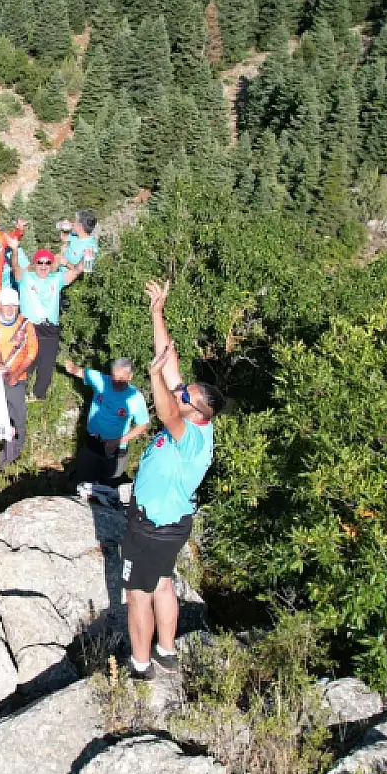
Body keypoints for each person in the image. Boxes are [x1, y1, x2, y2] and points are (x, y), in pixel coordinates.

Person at [123, 279, 223, 680]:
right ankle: (166, 651)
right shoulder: (192, 415)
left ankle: (140, 664)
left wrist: (152, 379)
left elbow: (165, 411)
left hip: (151, 528)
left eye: (186, 396)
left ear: (200, 413)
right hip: (170, 523)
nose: (180, 393)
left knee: (138, 595)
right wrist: (156, 313)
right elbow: (169, 363)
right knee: (163, 583)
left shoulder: (192, 436)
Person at [64, 357, 150, 485]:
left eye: (121, 379)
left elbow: (142, 425)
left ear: (130, 376)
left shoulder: (135, 398)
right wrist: (71, 367)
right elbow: (80, 372)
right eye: (114, 376)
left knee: (109, 488)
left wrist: (118, 441)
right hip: (91, 444)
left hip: (114, 450)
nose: (116, 381)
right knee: (82, 482)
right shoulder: (101, 380)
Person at [11, 248, 83, 399]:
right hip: (30, 327)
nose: (43, 266)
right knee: (27, 363)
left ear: (51, 265)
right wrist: (14, 250)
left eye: (47, 263)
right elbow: (16, 267)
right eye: (40, 262)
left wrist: (87, 257)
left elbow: (76, 271)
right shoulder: (26, 277)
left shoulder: (56, 278)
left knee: (46, 366)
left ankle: (39, 397)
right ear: (34, 263)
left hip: (50, 328)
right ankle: (19, 395)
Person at [0, 288, 38, 469]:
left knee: (18, 417)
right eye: (6, 305)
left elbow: (31, 353)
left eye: (13, 306)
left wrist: (14, 375)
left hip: (16, 379)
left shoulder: (26, 325)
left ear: (18, 306)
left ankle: (13, 455)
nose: (9, 309)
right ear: (0, 305)